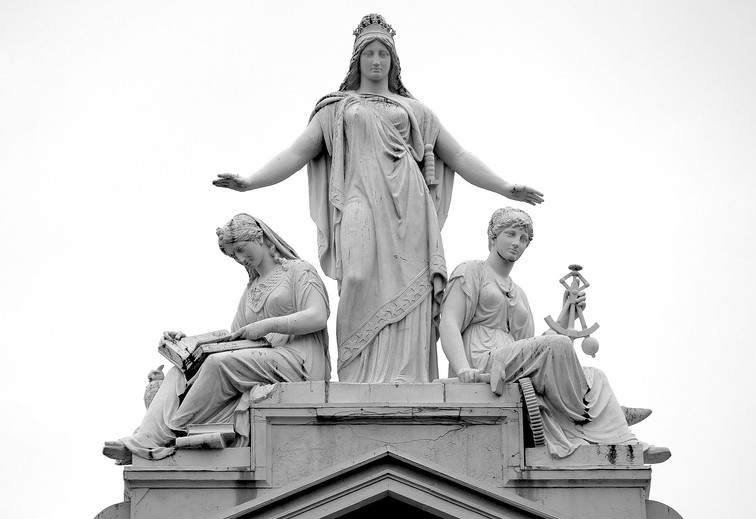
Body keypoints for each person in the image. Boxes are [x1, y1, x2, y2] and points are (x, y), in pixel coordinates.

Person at [213, 14, 543, 383]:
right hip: (359, 201)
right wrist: (250, 181)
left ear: (393, 61)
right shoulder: (336, 108)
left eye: (382, 54)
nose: (375, 61)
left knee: (410, 292)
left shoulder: (415, 111)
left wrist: (504, 186)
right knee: (355, 276)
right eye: (368, 53)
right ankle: (357, 378)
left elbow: (460, 156)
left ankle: (408, 377)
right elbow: (297, 152)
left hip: (411, 207)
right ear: (356, 60)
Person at [439, 207, 669, 463]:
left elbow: (532, 348)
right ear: (493, 237)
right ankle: (591, 412)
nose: (517, 243)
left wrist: (566, 313)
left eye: (524, 239)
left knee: (595, 375)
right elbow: (449, 321)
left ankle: (626, 442)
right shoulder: (471, 271)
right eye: (511, 234)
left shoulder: (519, 292)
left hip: (511, 358)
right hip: (484, 361)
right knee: (558, 345)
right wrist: (462, 369)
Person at [102, 214, 330, 464]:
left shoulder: (299, 270)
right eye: (234, 256)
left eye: (242, 249)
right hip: (264, 358)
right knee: (179, 372)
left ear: (261, 237)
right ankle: (145, 438)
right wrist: (190, 343)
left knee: (217, 365)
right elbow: (234, 340)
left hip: (298, 360)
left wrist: (263, 326)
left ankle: (169, 436)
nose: (241, 259)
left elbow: (318, 316)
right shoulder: (251, 289)